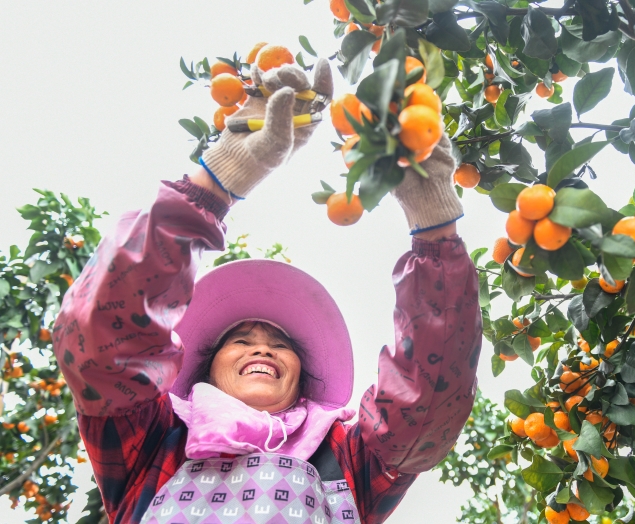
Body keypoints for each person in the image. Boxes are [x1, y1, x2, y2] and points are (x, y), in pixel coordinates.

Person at [53, 58, 482, 524]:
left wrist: (436, 231)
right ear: (206, 368)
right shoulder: (156, 437)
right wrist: (218, 179)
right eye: (241, 340)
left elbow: (429, 401)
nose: (263, 348)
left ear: (301, 377)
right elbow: (101, 341)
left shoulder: (347, 454)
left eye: (281, 344)